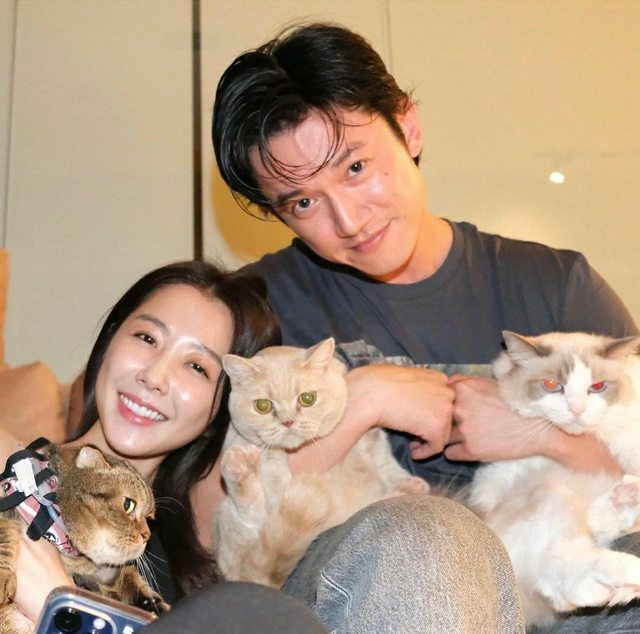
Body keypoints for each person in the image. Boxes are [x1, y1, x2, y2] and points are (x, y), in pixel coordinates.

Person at [212, 21, 640, 633]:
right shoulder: (260, 305)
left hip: (554, 579)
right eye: (303, 202)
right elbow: (204, 515)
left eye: (356, 167)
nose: (349, 219)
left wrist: (536, 434)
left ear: (408, 127)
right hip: (350, 592)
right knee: (431, 532)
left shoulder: (555, 285)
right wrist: (364, 399)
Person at [1, 259, 327, 633]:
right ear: (108, 344)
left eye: (197, 367)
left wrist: (57, 599)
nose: (154, 377)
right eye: (147, 338)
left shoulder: (194, 578)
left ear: (220, 412)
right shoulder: (11, 463)